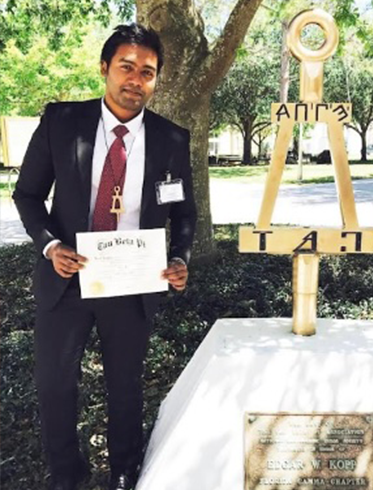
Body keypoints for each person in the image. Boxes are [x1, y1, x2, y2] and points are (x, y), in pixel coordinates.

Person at [13, 23, 197, 490]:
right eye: (126, 67)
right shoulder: (61, 122)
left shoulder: (171, 139)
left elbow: (184, 211)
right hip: (66, 279)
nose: (136, 80)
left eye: (148, 72)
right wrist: (52, 247)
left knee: (126, 387)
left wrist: (181, 258)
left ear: (157, 80)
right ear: (105, 69)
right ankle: (68, 475)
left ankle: (123, 471)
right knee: (56, 386)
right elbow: (28, 195)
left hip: (132, 282)